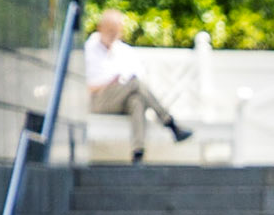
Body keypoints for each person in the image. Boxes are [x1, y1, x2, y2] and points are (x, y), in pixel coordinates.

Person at [83, 10, 193, 162]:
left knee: (137, 100)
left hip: (123, 100)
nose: (113, 35)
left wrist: (123, 84)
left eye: (116, 31)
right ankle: (170, 123)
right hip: (98, 100)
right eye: (110, 30)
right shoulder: (88, 50)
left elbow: (140, 79)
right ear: (100, 28)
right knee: (135, 85)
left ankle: (138, 153)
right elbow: (84, 86)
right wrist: (110, 83)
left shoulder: (124, 51)